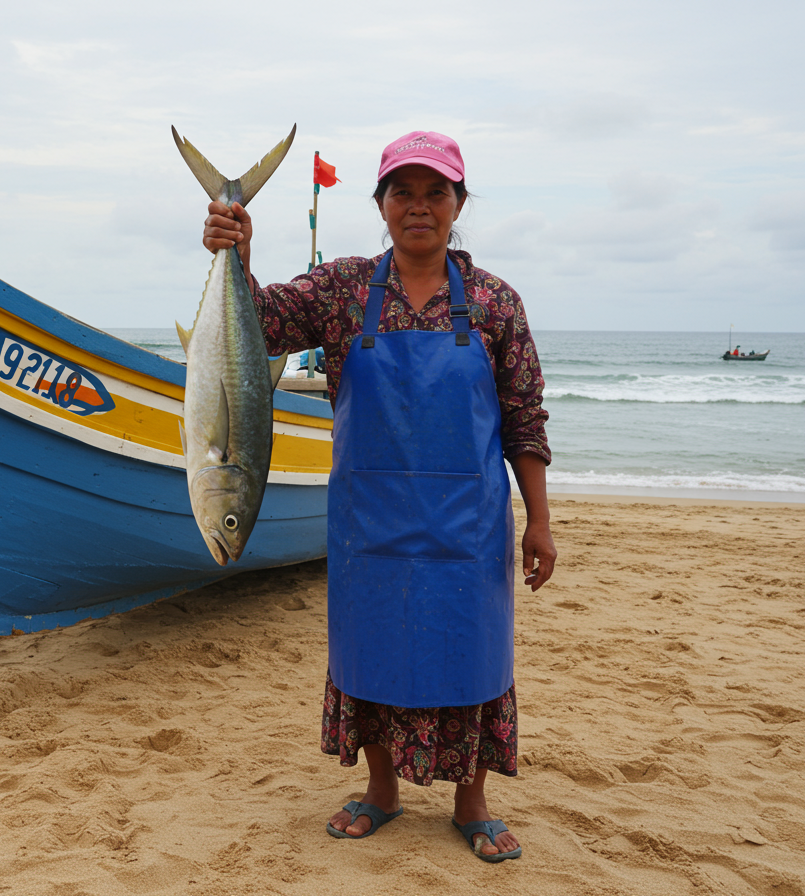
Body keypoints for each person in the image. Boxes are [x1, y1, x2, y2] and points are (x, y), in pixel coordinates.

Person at [203, 131, 556, 863]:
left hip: (469, 527)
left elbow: (524, 417)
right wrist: (232, 250)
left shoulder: (494, 302)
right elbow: (260, 325)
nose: (419, 207)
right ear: (381, 204)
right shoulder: (340, 290)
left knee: (475, 658)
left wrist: (539, 523)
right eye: (403, 192)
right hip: (371, 527)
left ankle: (472, 801)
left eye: (436, 193)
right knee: (370, 656)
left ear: (459, 203)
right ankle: (382, 790)